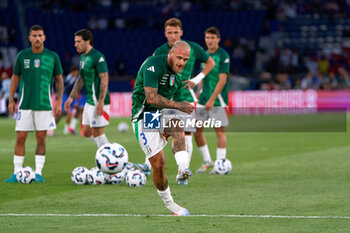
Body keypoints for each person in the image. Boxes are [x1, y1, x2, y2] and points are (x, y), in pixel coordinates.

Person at [134, 18, 215, 183]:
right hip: (165, 100)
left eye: (176, 32)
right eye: (169, 33)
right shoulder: (159, 53)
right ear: (165, 34)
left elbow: (210, 62)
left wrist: (197, 79)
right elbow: (154, 84)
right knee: (158, 129)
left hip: (184, 95)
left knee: (186, 133)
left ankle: (184, 170)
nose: (173, 36)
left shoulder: (193, 48)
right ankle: (148, 165)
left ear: (181, 33)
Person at [131, 41, 194, 215]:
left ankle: (183, 168)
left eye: (185, 60)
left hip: (160, 114)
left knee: (177, 125)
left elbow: (177, 100)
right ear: (171, 53)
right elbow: (151, 98)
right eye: (179, 58)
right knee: (159, 164)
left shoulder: (178, 76)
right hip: (143, 117)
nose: (181, 62)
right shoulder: (153, 64)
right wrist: (178, 106)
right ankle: (169, 204)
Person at [5, 25, 64, 183]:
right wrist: (11, 99)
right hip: (24, 104)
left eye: (40, 35)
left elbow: (59, 80)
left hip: (44, 105)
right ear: (30, 38)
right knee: (20, 138)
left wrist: (59, 102)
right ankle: (16, 172)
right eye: (34, 36)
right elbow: (15, 77)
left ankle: (38, 173)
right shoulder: (22, 56)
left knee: (41, 138)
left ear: (44, 37)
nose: (37, 38)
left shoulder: (52, 57)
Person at [64, 29, 110, 148]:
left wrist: (100, 101)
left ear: (87, 41)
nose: (75, 45)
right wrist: (71, 97)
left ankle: (113, 159)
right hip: (90, 100)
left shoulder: (98, 57)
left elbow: (104, 79)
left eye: (78, 42)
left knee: (98, 132)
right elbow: (80, 79)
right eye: (75, 42)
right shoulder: (83, 58)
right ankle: (108, 150)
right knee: (86, 131)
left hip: (99, 100)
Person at [194, 27, 230, 174]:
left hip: (217, 101)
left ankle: (220, 164)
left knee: (219, 132)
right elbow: (203, 75)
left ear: (218, 39)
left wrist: (212, 99)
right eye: (207, 37)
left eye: (212, 38)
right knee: (196, 130)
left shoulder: (223, 55)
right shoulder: (205, 56)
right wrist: (198, 91)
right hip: (203, 99)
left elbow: (222, 81)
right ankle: (207, 160)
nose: (209, 40)